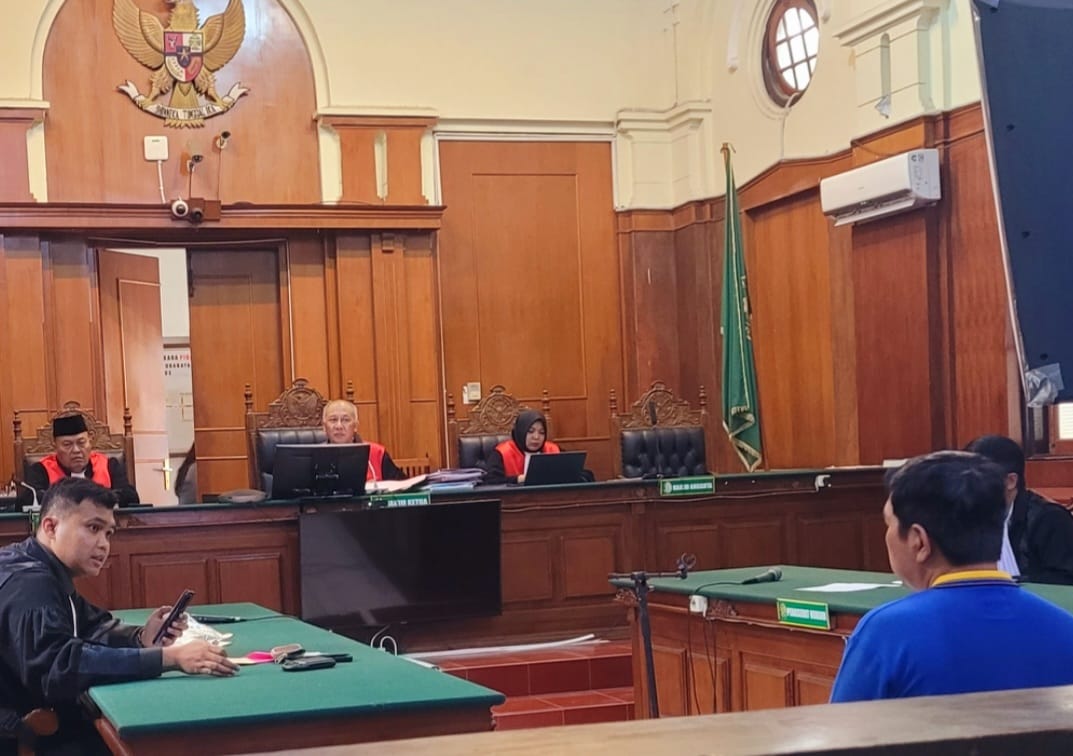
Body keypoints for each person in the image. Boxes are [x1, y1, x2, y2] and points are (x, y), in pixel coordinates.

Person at [0, 478, 237, 752]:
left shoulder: (38, 563)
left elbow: (90, 625)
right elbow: (59, 667)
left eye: (108, 533)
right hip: (19, 734)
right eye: (93, 528)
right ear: (51, 527)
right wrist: (168, 658)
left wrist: (141, 637)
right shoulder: (30, 584)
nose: (103, 544)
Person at [829, 450, 1073, 703]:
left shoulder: (886, 633)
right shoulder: (1065, 627)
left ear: (918, 541)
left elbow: (843, 726)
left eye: (889, 524)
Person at [965, 434, 1073, 584]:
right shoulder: (966, 515)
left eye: (978, 480)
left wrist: (1012, 582)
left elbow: (1065, 580)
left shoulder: (1050, 520)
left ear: (1011, 481)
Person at [24, 415, 140, 508]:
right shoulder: (41, 469)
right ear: (55, 447)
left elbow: (130, 497)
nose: (76, 450)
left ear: (90, 442)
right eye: (67, 444)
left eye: (81, 442)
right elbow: (27, 500)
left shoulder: (109, 465)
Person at [321, 399, 406, 481]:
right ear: (324, 426)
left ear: (355, 426)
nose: (339, 426)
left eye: (346, 420)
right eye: (333, 420)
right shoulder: (316, 455)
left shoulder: (376, 452)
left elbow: (400, 485)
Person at [483, 410, 561, 485]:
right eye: (530, 431)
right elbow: (491, 481)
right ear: (521, 431)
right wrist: (518, 479)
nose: (536, 437)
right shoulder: (502, 452)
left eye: (542, 432)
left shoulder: (553, 449)